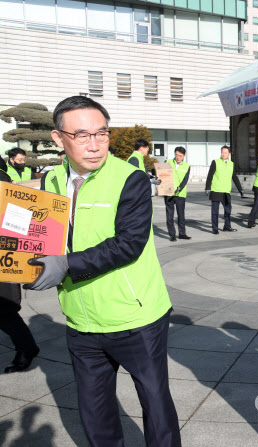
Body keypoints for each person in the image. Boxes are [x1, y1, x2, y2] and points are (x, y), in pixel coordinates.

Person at [26, 95, 180, 446]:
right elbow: (45, 237)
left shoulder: (130, 178)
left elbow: (129, 243)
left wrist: (64, 265)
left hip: (135, 316)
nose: (94, 145)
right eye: (82, 136)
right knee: (95, 412)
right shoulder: (51, 181)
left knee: (156, 407)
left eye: (102, 134)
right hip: (80, 319)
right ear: (57, 138)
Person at [0, 162, 40, 374]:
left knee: (4, 310)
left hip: (4, 256)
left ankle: (26, 348)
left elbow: (17, 220)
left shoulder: (2, 181)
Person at [205, 145, 244, 234]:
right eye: (222, 152)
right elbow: (210, 175)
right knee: (215, 212)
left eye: (225, 153)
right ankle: (215, 228)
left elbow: (234, 177)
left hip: (226, 191)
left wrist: (240, 189)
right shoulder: (215, 162)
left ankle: (227, 226)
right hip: (216, 190)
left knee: (228, 210)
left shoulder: (231, 164)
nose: (223, 154)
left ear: (229, 154)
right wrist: (207, 187)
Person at [165, 147, 191, 241]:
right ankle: (172, 234)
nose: (178, 157)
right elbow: (161, 173)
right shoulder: (167, 162)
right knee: (169, 215)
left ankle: (182, 233)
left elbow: (185, 180)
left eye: (180, 156)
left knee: (181, 215)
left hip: (180, 194)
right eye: (176, 155)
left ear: (184, 156)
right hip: (168, 193)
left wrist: (179, 188)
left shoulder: (187, 166)